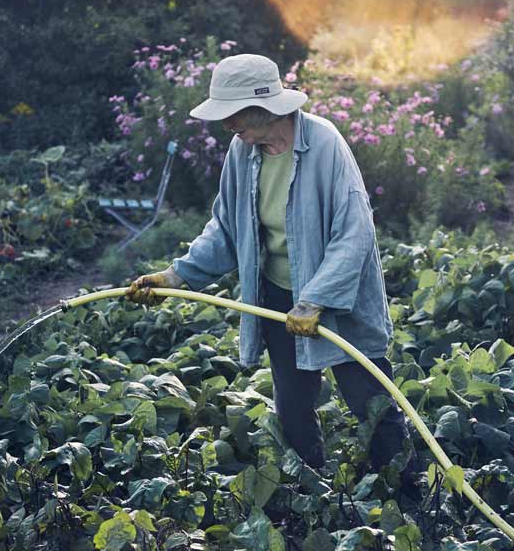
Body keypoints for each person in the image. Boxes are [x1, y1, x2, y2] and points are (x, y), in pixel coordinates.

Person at [127, 53, 416, 484]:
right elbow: (226, 227)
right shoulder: (242, 151)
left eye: (233, 114)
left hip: (339, 296)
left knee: (370, 400)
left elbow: (354, 233)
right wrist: (176, 275)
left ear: (263, 107)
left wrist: (316, 298)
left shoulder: (324, 144)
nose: (227, 125)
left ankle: (407, 491)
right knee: (293, 408)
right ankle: (312, 492)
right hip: (278, 297)